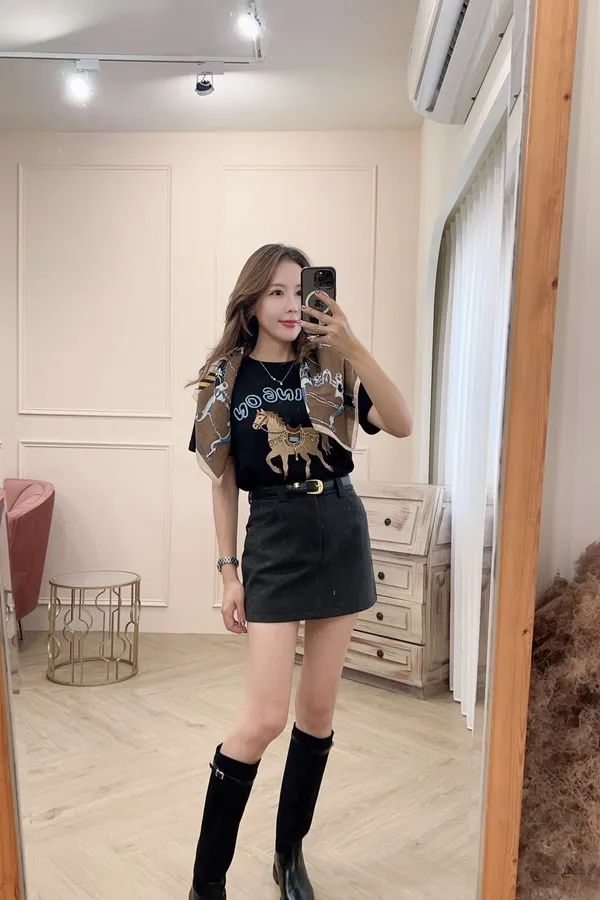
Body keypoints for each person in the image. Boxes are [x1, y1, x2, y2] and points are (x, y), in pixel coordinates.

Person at [188, 244, 412, 900]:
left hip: (339, 529)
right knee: (264, 718)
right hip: (274, 537)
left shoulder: (331, 364)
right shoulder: (224, 378)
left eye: (301, 291)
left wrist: (354, 344)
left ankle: (289, 855)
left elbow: (400, 422)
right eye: (277, 292)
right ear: (252, 300)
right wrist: (228, 573)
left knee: (317, 713)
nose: (291, 305)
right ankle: (206, 882)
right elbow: (223, 483)